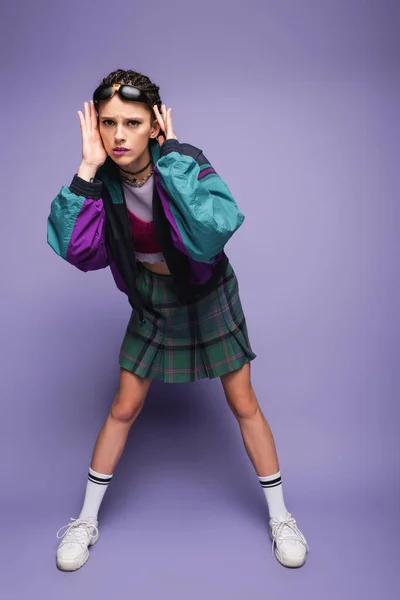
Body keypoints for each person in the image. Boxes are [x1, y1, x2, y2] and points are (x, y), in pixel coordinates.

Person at [48, 68, 309, 572]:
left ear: (154, 125)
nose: (118, 135)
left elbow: (213, 232)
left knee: (243, 401)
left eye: (131, 122)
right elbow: (77, 250)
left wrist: (171, 162)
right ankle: (85, 520)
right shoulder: (101, 181)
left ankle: (281, 517)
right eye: (108, 123)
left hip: (207, 292)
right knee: (124, 406)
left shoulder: (185, 163)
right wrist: (85, 167)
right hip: (153, 298)